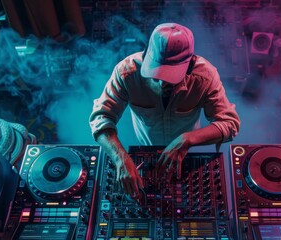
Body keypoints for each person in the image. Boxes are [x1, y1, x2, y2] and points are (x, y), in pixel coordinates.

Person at [89, 23, 241, 198]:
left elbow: (230, 124)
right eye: (156, 73)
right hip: (142, 146)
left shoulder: (205, 76)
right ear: (146, 54)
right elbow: (100, 118)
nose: (162, 83)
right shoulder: (126, 72)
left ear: (190, 64)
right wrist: (120, 159)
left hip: (190, 152)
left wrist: (187, 139)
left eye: (171, 76)